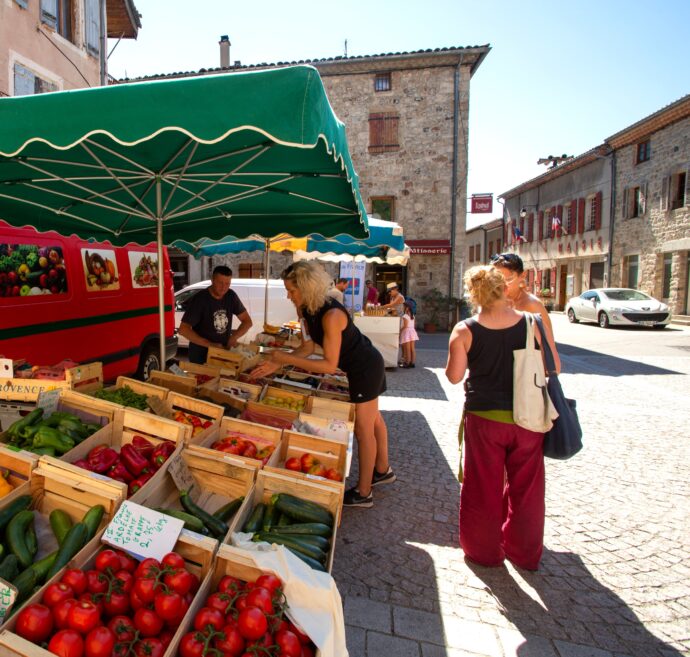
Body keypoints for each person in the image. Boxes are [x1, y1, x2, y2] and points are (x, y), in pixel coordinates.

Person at [250, 261, 394, 508]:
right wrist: (279, 363)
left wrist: (282, 359)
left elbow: (328, 364)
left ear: (306, 288)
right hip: (360, 366)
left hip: (365, 368)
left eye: (292, 291)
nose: (288, 295)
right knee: (374, 420)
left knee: (363, 428)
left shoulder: (332, 315)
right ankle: (382, 470)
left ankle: (364, 492)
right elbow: (307, 348)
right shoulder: (306, 310)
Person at [445, 265, 557, 571]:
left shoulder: (465, 329)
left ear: (473, 294)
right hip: (528, 418)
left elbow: (455, 377)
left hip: (485, 419)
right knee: (528, 490)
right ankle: (523, 553)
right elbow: (551, 367)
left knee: (482, 486)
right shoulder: (531, 323)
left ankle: (484, 551)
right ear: (503, 289)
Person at [490, 253, 561, 373]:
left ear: (522, 275)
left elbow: (548, 345)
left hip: (523, 374)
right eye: (497, 279)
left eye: (508, 279)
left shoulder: (532, 304)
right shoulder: (493, 301)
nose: (502, 285)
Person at [178, 265, 253, 364]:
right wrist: (210, 345)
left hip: (222, 353)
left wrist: (234, 337)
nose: (224, 287)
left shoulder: (231, 296)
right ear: (212, 280)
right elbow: (183, 330)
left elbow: (247, 322)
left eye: (227, 283)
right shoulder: (200, 299)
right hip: (201, 355)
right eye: (220, 283)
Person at [399, 302, 419, 368]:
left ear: (407, 308)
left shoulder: (405, 316)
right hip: (412, 331)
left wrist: (400, 331)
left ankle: (407, 363)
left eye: (403, 306)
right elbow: (413, 325)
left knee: (407, 349)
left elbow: (405, 326)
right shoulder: (413, 315)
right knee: (412, 349)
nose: (402, 308)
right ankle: (412, 363)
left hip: (406, 332)